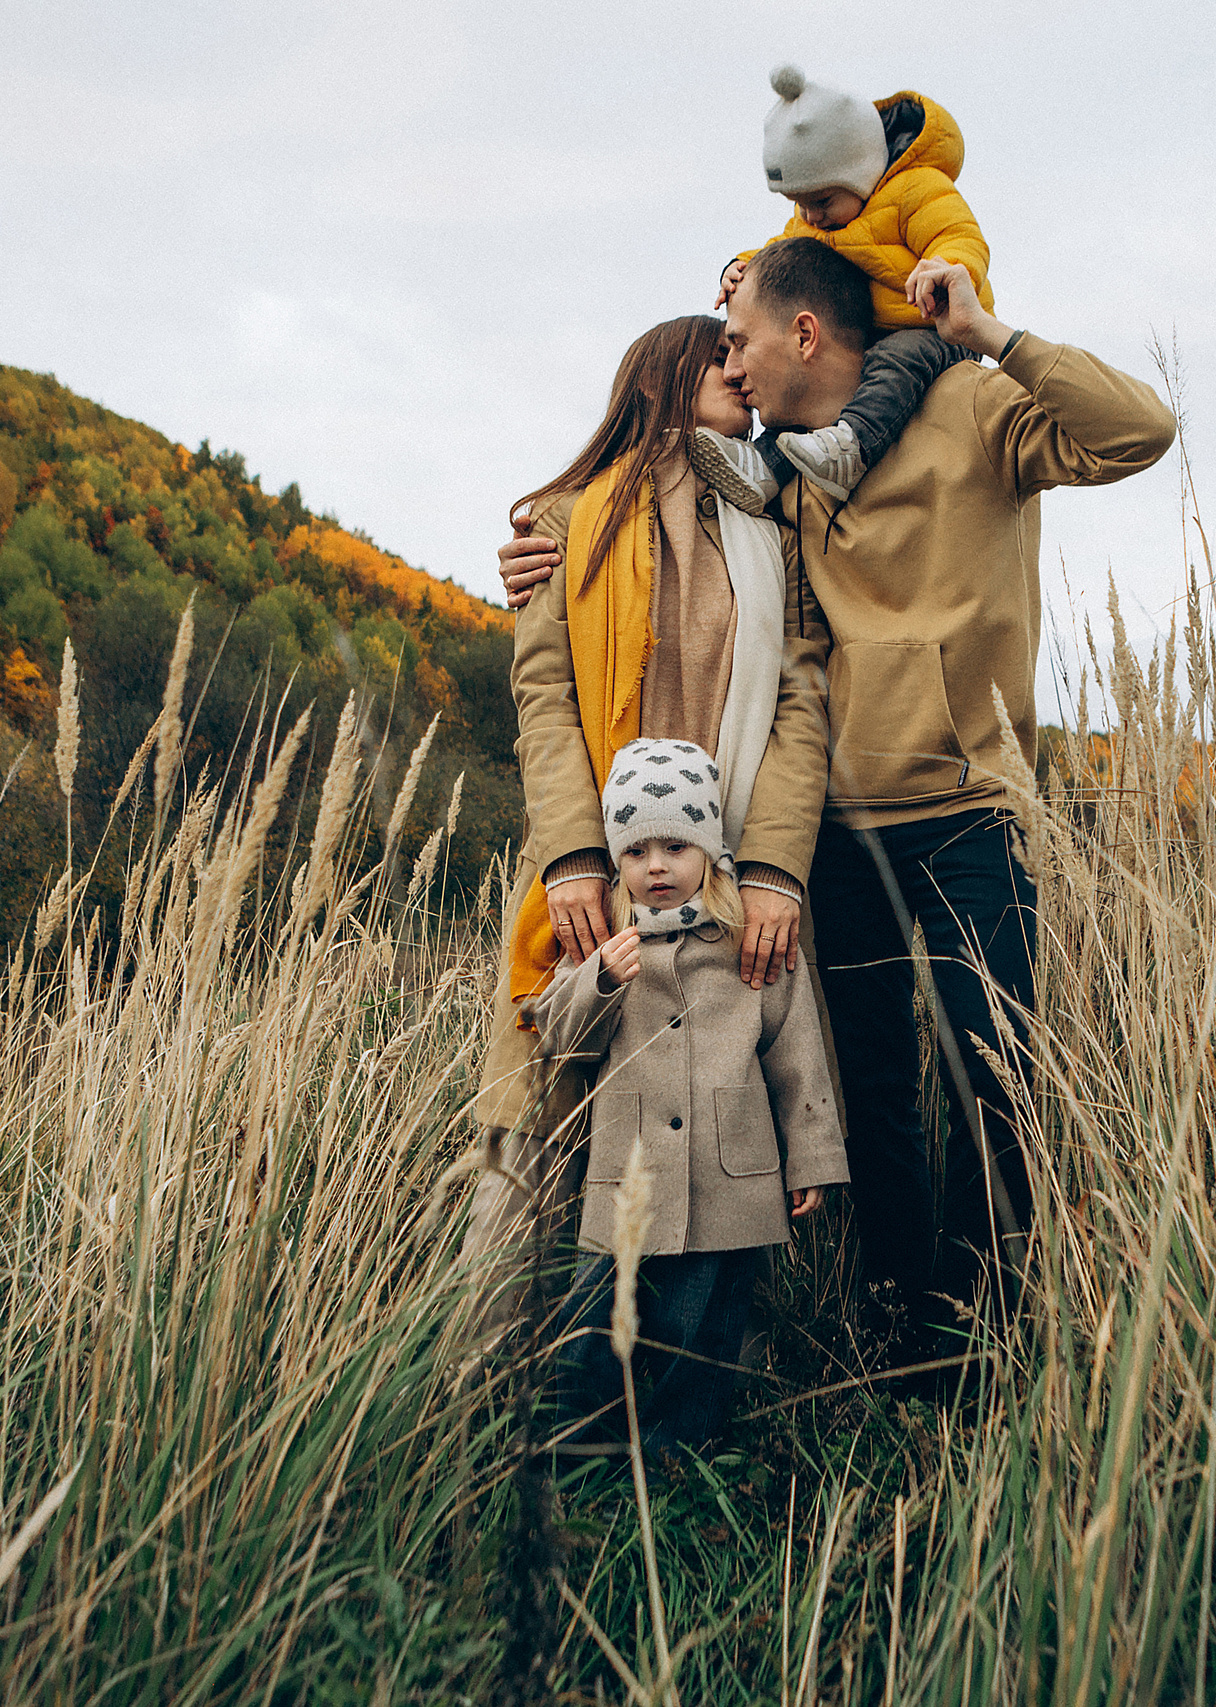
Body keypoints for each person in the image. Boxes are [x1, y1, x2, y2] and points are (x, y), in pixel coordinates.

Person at [502, 239, 1175, 1374]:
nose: (736, 362)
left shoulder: (971, 408)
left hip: (966, 808)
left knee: (992, 1071)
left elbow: (1138, 433)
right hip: (832, 837)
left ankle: (989, 1335)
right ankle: (901, 1331)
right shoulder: (775, 475)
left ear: (801, 336)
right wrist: (542, 545)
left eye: (744, 341)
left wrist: (991, 336)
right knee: (868, 1093)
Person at [461, 315, 828, 1342]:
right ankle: (482, 1387)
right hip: (597, 875)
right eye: (724, 360)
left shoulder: (772, 535)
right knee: (539, 1125)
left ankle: (673, 1401)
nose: (745, 379)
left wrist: (772, 872)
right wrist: (574, 856)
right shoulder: (562, 522)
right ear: (668, 374)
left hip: (722, 882)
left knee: (715, 1118)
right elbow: (544, 702)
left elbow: (800, 710)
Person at [532, 739, 845, 1455]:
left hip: (725, 1177)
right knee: (592, 1322)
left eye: (676, 844)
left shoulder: (749, 942)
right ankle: (573, 1452)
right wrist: (600, 981)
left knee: (701, 1333)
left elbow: (795, 1052)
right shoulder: (604, 942)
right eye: (637, 849)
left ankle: (680, 1461)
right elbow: (561, 1043)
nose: (657, 866)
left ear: (709, 848)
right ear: (618, 859)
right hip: (626, 1176)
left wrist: (812, 1156)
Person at [691, 65, 993, 509]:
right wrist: (743, 266)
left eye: (821, 201)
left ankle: (852, 450)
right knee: (800, 387)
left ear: (862, 170)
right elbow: (783, 250)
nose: (810, 216)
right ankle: (764, 468)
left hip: (935, 327)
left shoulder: (916, 188)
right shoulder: (817, 216)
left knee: (893, 364)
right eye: (798, 203)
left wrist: (946, 270)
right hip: (873, 331)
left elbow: (960, 236)